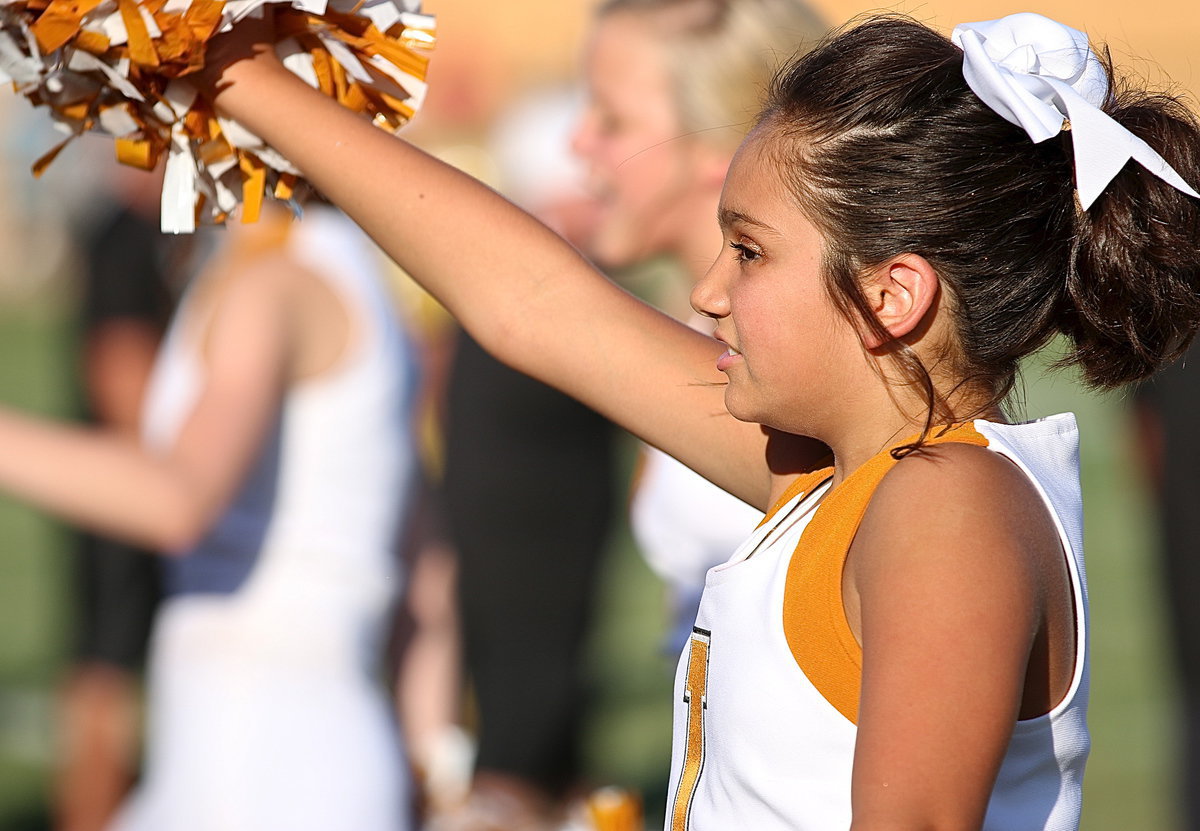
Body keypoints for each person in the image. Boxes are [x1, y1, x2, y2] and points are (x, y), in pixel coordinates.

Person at [196, 9, 1200, 829]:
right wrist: (227, 70)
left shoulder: (950, 510)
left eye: (749, 252)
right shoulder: (836, 477)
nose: (709, 291)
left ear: (892, 296)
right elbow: (536, 305)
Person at [0, 200, 420, 831]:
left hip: (262, 754)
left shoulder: (270, 286)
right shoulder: (353, 274)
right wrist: (434, 764)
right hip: (294, 745)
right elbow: (426, 567)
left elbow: (180, 500)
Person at [570, 0, 827, 652]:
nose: (577, 142)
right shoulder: (701, 319)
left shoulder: (793, 359)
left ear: (719, 145)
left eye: (613, 119)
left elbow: (531, 308)